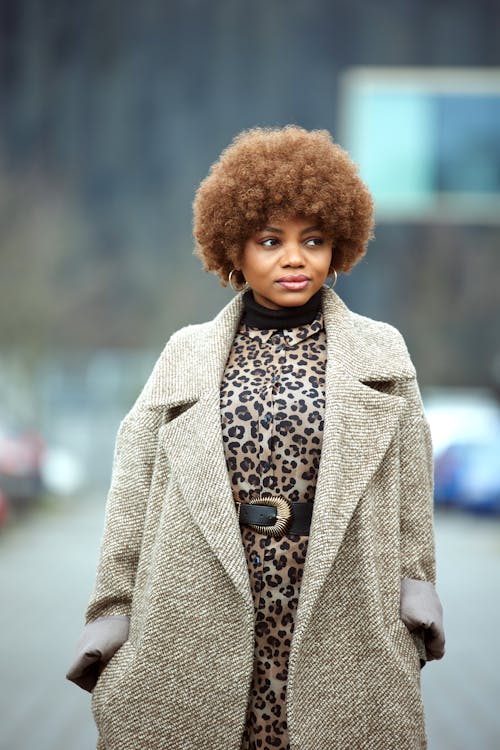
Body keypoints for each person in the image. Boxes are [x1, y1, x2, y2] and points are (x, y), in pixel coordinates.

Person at [66, 125, 445, 750]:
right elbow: (133, 488)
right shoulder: (184, 354)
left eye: (313, 240)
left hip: (340, 605)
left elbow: (409, 478)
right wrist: (111, 609)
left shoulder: (382, 351)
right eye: (271, 242)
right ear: (233, 249)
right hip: (198, 605)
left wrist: (418, 580)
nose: (295, 259)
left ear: (338, 246)